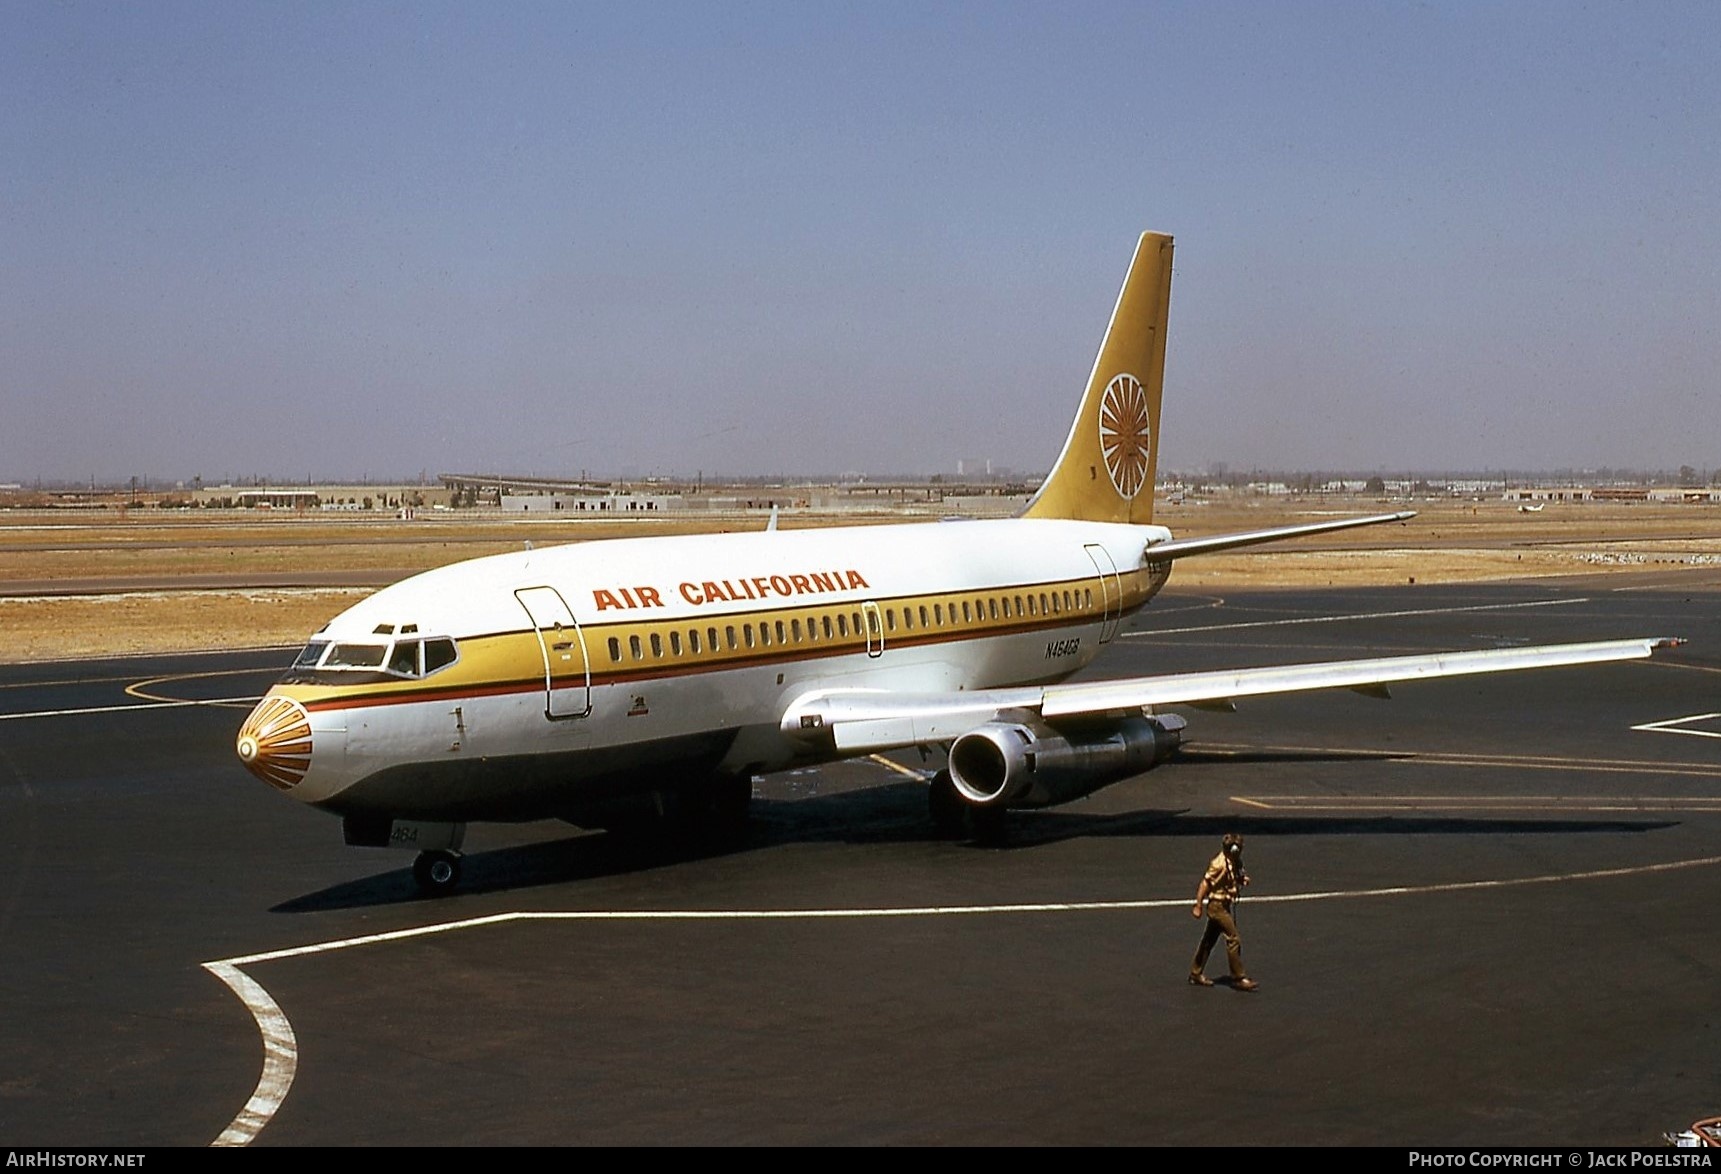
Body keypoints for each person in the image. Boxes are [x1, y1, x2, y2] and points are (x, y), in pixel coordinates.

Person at [1189, 832, 1258, 991]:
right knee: (1233, 938)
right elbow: (1204, 884)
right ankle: (1238, 977)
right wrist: (1198, 905)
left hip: (1224, 904)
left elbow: (1230, 878)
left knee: (1208, 940)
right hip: (1217, 906)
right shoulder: (1218, 864)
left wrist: (1240, 880)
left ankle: (1195, 972)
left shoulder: (1233, 860)